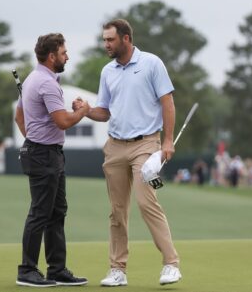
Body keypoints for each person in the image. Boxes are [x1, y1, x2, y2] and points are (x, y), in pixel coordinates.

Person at [74, 19, 181, 286]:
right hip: (115, 147)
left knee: (147, 203)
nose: (105, 44)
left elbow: (167, 102)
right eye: (104, 40)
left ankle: (171, 264)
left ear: (125, 39)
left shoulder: (152, 63)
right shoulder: (107, 71)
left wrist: (167, 141)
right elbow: (105, 111)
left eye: (110, 40)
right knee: (117, 211)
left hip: (146, 145)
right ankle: (117, 270)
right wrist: (87, 110)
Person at [14, 33, 89, 287]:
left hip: (47, 153)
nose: (67, 55)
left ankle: (56, 269)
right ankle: (27, 270)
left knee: (56, 212)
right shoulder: (45, 83)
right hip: (44, 154)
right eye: (64, 52)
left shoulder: (34, 79)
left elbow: (19, 117)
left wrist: (33, 138)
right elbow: (63, 121)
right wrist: (83, 112)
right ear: (51, 56)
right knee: (40, 213)